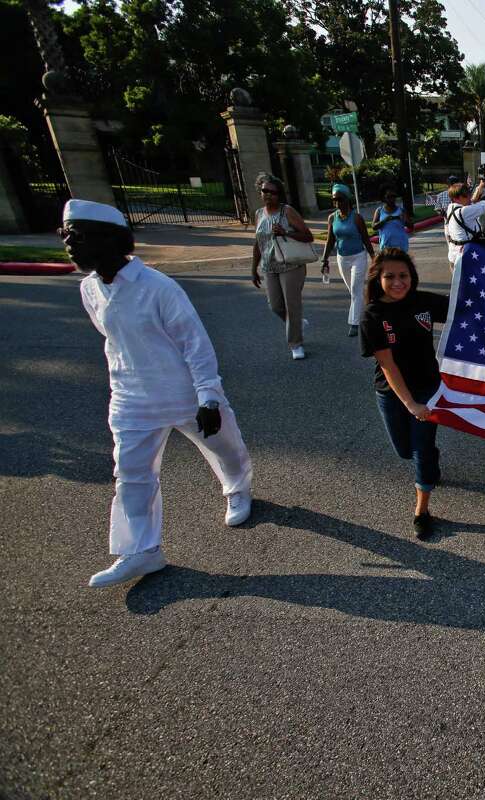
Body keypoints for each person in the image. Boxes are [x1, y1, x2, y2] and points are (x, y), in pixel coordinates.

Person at [63, 199, 254, 588]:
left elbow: (195, 345)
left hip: (184, 394)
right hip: (131, 400)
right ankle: (142, 551)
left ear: (111, 240)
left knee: (225, 447)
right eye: (64, 235)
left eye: (77, 236)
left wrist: (209, 398)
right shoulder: (90, 289)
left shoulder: (159, 288)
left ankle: (238, 489)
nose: (69, 244)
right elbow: (114, 341)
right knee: (131, 475)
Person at [359, 248, 450, 540]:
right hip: (393, 393)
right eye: (390, 276)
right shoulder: (372, 315)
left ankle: (421, 511)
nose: (399, 282)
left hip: (427, 387)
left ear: (412, 277)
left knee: (421, 451)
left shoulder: (423, 301)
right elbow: (387, 364)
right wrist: (409, 403)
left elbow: (464, 306)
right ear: (378, 279)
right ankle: (428, 457)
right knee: (404, 450)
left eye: (404, 276)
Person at [250, 172, 315, 361]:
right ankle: (296, 323)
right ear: (260, 192)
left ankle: (296, 343)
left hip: (291, 265)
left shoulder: (287, 212)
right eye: (265, 191)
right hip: (269, 267)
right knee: (275, 306)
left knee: (292, 305)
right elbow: (258, 243)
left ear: (279, 194)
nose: (268, 194)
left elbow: (308, 236)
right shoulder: (258, 214)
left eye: (273, 192)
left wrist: (286, 232)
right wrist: (253, 268)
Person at [321, 184, 375, 337]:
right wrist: (324, 259)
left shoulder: (357, 218)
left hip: (358, 257)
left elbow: (365, 238)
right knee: (354, 291)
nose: (337, 202)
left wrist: (373, 256)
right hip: (342, 258)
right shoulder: (332, 218)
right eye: (334, 199)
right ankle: (368, 310)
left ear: (347, 199)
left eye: (340, 199)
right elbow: (330, 240)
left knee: (355, 289)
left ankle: (354, 323)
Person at [445, 166, 485, 267]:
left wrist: (481, 186)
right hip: (465, 257)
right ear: (457, 198)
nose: (469, 196)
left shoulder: (451, 207)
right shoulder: (465, 212)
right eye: (466, 195)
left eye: (469, 193)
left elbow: (472, 201)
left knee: (457, 283)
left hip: (454, 256)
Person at [372, 185, 412, 252]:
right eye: (389, 196)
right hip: (386, 247)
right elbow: (374, 226)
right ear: (383, 198)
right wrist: (385, 220)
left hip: (401, 247)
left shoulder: (401, 210)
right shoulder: (379, 210)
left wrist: (404, 220)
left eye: (394, 196)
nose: (392, 199)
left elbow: (411, 226)